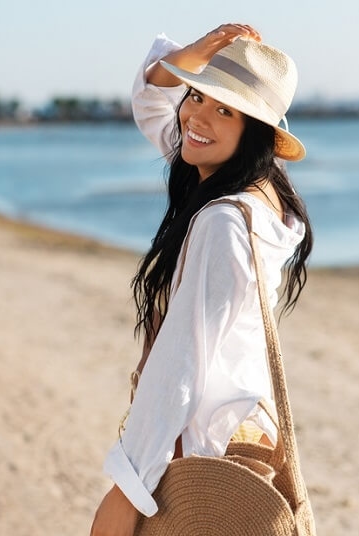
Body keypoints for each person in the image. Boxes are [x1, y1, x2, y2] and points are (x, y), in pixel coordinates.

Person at [90, 23, 313, 536]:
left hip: (205, 443)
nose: (196, 116)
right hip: (243, 430)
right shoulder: (264, 199)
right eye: (196, 98)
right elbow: (157, 111)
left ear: (254, 130)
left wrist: (128, 488)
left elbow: (180, 365)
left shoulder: (224, 221)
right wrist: (187, 60)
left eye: (224, 109)